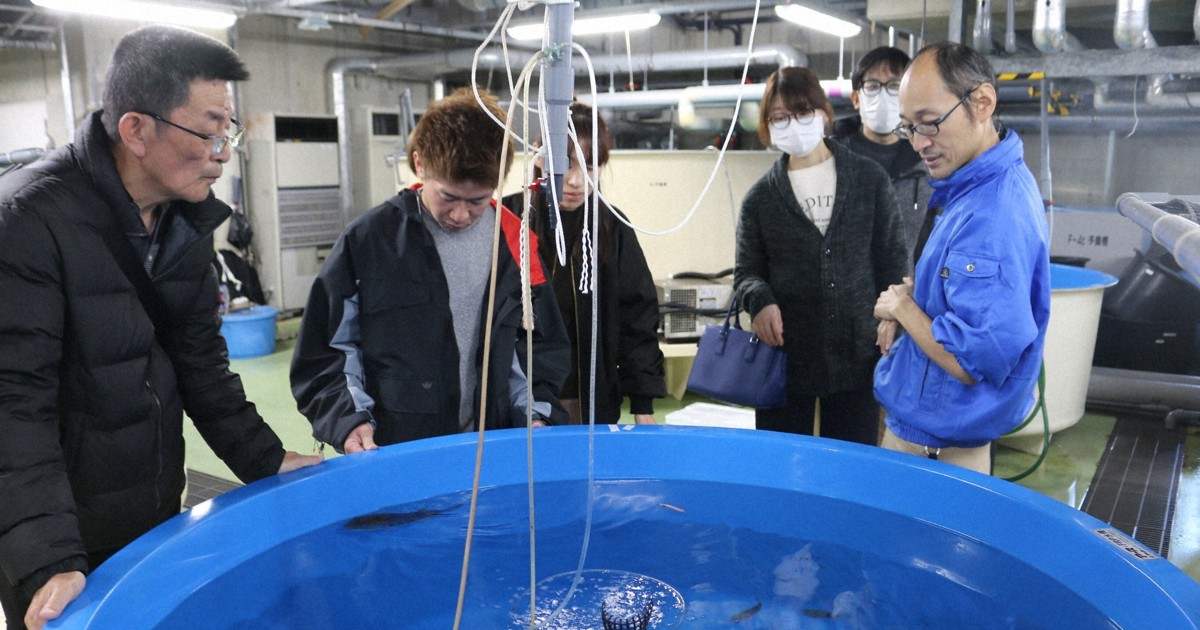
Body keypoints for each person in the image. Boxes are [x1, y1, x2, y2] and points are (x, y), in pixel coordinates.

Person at [0, 25, 322, 630]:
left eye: (226, 133)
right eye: (207, 132)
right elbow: (12, 406)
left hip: (152, 510)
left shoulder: (182, 221)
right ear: (136, 130)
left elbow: (199, 363)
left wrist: (267, 459)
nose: (222, 153)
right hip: (58, 532)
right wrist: (48, 558)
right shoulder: (25, 222)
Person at [291, 88, 571, 453]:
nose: (460, 215)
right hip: (394, 448)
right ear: (421, 164)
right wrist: (348, 419)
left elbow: (538, 348)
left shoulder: (515, 241)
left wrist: (535, 413)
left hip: (491, 447)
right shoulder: (370, 240)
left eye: (477, 200)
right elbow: (327, 349)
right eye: (448, 197)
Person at [873, 42, 1050, 474]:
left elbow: (968, 360)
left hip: (937, 454)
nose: (919, 143)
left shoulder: (994, 213)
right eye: (908, 128)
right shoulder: (970, 189)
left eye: (930, 123)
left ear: (983, 102)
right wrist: (916, 295)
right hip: (931, 437)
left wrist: (901, 306)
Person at [734, 66, 908, 445]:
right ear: (767, 125)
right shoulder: (760, 199)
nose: (792, 124)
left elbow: (893, 260)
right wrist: (760, 301)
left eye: (802, 113)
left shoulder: (869, 179)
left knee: (852, 464)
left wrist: (894, 318)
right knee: (780, 462)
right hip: (785, 358)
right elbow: (746, 273)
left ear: (824, 114)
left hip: (859, 353)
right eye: (779, 117)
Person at [502, 103, 666, 425]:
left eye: (590, 167)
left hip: (591, 398)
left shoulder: (613, 228)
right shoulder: (509, 220)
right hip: (519, 401)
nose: (576, 181)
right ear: (540, 160)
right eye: (566, 164)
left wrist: (643, 403)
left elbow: (637, 318)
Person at [832, 46, 933, 262]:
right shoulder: (831, 160)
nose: (883, 94)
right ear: (856, 99)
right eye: (872, 86)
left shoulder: (928, 163)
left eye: (895, 85)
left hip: (906, 292)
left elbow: (933, 240)